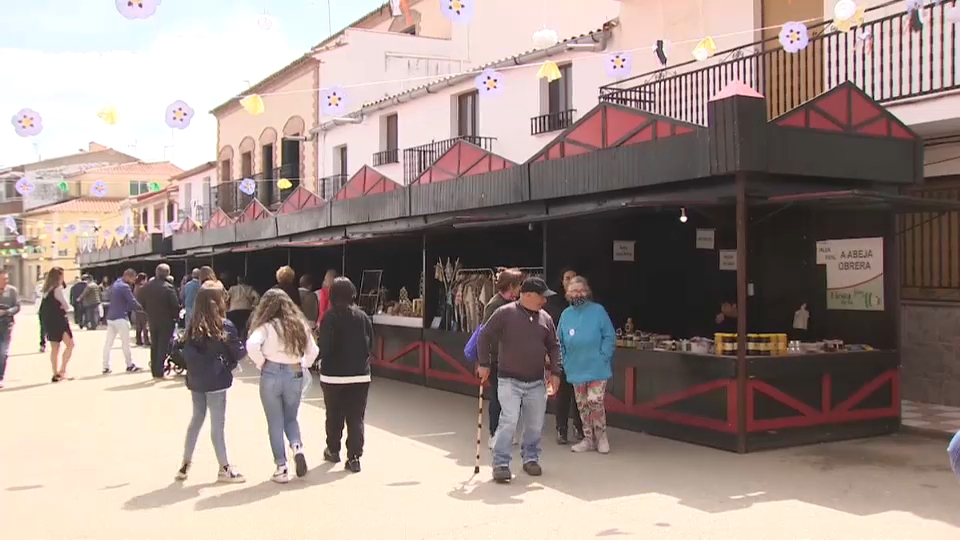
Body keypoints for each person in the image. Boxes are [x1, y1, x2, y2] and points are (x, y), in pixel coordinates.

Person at [477, 277, 562, 484]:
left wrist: (556, 372)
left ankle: (530, 458)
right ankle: (501, 463)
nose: (544, 301)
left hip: (536, 380)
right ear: (528, 295)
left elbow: (554, 345)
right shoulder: (505, 313)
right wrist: (484, 363)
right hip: (509, 379)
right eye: (541, 297)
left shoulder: (545, 318)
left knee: (535, 424)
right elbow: (484, 336)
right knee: (509, 420)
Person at [175, 285, 246, 484]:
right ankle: (224, 468)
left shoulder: (192, 325)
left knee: (196, 419)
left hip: (196, 379)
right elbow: (239, 352)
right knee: (217, 425)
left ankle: (185, 464)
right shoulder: (223, 325)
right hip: (217, 380)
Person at [247, 289, 319, 483]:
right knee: (291, 417)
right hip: (294, 371)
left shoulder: (266, 326)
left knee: (275, 421)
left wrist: (262, 363)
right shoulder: (299, 325)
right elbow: (313, 350)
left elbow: (252, 345)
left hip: (271, 371)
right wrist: (304, 364)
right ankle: (297, 447)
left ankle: (281, 467)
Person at [317, 277, 373, 473]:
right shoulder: (363, 317)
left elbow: (324, 346)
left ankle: (333, 450)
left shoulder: (329, 317)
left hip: (333, 375)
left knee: (334, 414)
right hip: (360, 375)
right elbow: (370, 345)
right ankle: (354, 457)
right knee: (356, 417)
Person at [556, 276, 615, 454]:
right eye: (574, 291)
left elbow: (609, 336)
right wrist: (565, 360)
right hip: (575, 368)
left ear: (587, 291)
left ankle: (601, 436)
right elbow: (559, 341)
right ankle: (588, 438)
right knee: (582, 405)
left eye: (581, 290)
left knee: (594, 401)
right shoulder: (565, 315)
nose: (577, 294)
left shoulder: (598, 311)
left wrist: (603, 356)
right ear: (568, 294)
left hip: (597, 367)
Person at [479, 268, 523, 443]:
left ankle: (506, 431)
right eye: (519, 284)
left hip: (513, 357)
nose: (521, 288)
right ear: (511, 286)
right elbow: (485, 334)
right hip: (497, 358)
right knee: (498, 397)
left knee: (511, 399)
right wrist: (484, 361)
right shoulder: (494, 305)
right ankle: (494, 433)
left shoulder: (517, 303)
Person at [544, 267, 585, 445]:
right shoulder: (553, 304)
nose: (571, 281)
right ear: (561, 281)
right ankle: (561, 429)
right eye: (567, 278)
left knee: (579, 395)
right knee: (563, 394)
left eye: (574, 278)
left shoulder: (583, 305)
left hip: (580, 356)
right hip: (561, 354)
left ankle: (579, 427)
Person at [138, 264, 181, 379]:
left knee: (155, 344)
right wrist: (175, 317)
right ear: (167, 274)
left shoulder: (146, 287)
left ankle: (154, 369)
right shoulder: (168, 287)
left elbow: (140, 302)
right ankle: (159, 369)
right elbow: (175, 305)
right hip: (166, 320)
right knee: (163, 345)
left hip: (152, 319)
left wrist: (148, 311)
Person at [102, 269, 144, 374]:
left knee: (108, 343)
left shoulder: (115, 284)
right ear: (128, 276)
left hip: (111, 317)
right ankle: (129, 365)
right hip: (121, 317)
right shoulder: (125, 287)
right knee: (125, 344)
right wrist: (143, 309)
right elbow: (132, 301)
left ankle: (105, 366)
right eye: (133, 278)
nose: (134, 280)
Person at [38, 267, 75, 382]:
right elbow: (65, 304)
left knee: (55, 348)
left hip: (50, 322)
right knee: (70, 345)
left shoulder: (46, 290)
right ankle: (62, 370)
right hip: (59, 321)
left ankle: (55, 373)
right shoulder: (57, 289)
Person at [0, 269, 21, 389]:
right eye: (3, 279)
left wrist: (7, 312)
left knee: (3, 352)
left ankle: (0, 377)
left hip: (6, 324)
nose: (5, 281)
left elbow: (17, 306)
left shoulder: (12, 291)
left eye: (6, 279)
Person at [226, 276, 259, 340]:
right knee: (244, 328)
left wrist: (227, 306)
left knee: (234, 328)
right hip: (246, 310)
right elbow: (256, 297)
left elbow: (226, 298)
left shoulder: (232, 288)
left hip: (233, 310)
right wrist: (253, 305)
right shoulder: (249, 288)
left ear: (238, 281)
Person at [133, 273, 150, 347]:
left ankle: (138, 340)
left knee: (138, 325)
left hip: (137, 308)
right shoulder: (142, 288)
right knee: (145, 325)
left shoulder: (136, 287)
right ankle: (146, 340)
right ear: (142, 280)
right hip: (143, 308)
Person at [36, 277, 46, 353]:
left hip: (43, 308)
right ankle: (43, 344)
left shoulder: (39, 285)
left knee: (43, 327)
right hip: (42, 308)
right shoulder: (41, 286)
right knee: (43, 327)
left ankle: (43, 343)